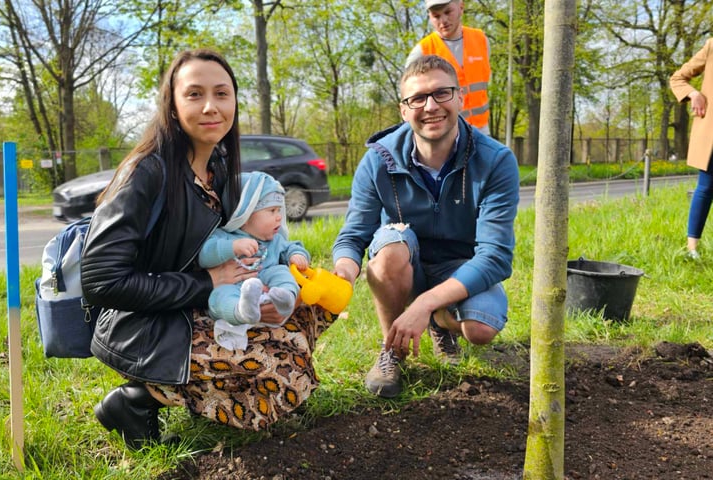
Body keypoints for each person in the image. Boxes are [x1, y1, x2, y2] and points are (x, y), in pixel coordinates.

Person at [79, 49, 335, 450]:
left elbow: (252, 234)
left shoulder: (218, 166)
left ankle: (213, 382)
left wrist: (282, 263)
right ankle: (136, 401)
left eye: (222, 93)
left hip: (207, 301)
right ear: (173, 104)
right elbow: (100, 281)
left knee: (304, 313)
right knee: (279, 369)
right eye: (195, 94)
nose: (211, 106)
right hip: (144, 322)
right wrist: (206, 282)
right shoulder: (146, 173)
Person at [332, 55, 519, 398]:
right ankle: (392, 350)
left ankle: (436, 322)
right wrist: (343, 271)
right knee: (388, 250)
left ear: (460, 97)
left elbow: (495, 257)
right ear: (404, 110)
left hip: (461, 269)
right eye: (417, 98)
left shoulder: (495, 161)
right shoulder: (379, 159)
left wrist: (424, 306)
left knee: (480, 328)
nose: (430, 106)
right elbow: (354, 234)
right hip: (407, 261)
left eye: (441, 94)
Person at [199, 171, 309, 350]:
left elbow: (292, 247)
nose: (279, 217)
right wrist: (232, 247)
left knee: (281, 272)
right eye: (272, 211)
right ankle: (243, 311)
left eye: (279, 210)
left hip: (268, 284)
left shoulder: (274, 240)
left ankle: (285, 297)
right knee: (218, 296)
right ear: (245, 213)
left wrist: (297, 255)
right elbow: (204, 255)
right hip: (234, 286)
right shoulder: (224, 237)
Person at [406, 0, 491, 135]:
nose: (443, 20)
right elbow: (411, 103)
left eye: (447, 12)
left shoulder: (481, 40)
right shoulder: (422, 52)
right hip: (446, 137)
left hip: (482, 132)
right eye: (436, 16)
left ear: (461, 7)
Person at [670, 38, 713, 260]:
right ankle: (692, 250)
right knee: (705, 187)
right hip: (712, 134)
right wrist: (693, 94)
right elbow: (678, 78)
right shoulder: (712, 46)